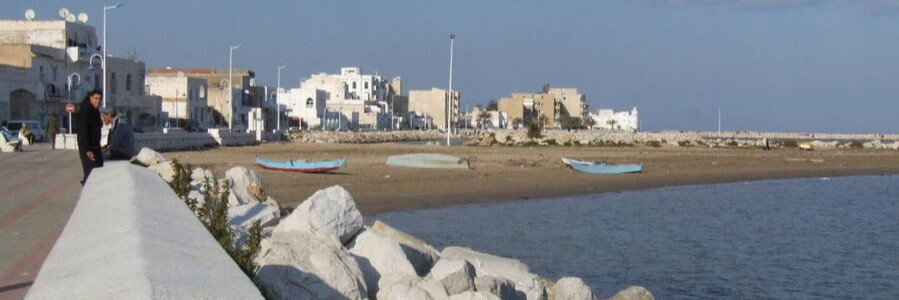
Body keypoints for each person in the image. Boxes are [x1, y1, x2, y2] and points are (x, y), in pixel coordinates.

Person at [76, 90, 104, 185]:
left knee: (98, 171)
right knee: (91, 174)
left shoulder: (94, 111)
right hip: (88, 149)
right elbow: (82, 132)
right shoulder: (85, 111)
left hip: (95, 147)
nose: (98, 101)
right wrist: (88, 149)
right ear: (90, 98)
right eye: (96, 98)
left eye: (100, 99)